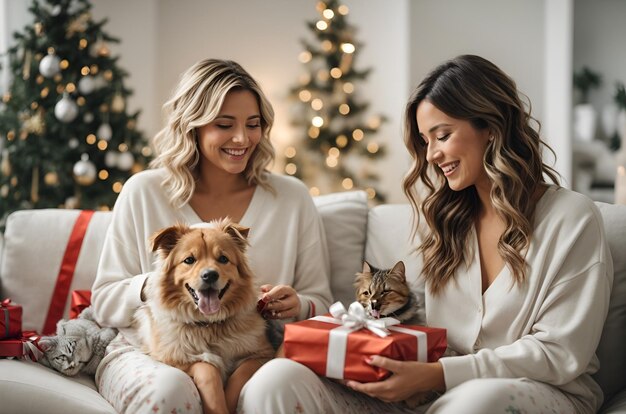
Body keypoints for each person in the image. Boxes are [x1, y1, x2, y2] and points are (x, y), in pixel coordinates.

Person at [238, 54, 613, 414]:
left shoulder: (572, 220)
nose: (431, 154)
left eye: (442, 135)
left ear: (492, 128)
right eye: (425, 140)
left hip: (538, 392)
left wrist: (438, 374)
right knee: (277, 379)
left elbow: (560, 353)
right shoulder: (449, 221)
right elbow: (425, 334)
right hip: (431, 393)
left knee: (472, 404)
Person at [91, 58, 333, 414]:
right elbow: (104, 300)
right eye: (224, 125)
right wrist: (161, 283)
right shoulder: (144, 191)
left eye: (253, 125)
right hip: (152, 351)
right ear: (193, 126)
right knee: (169, 390)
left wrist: (300, 304)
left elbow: (323, 302)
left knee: (271, 386)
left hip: (247, 348)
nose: (242, 139)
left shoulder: (292, 198)